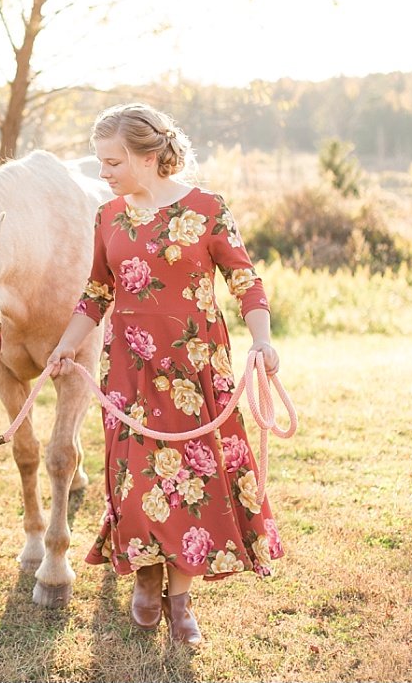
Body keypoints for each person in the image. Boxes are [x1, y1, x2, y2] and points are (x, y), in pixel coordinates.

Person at [48, 102, 283, 647]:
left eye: (111, 162)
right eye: (100, 163)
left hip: (197, 368)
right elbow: (96, 294)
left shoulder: (207, 208)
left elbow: (246, 282)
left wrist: (263, 341)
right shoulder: (107, 217)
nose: (102, 174)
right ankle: (146, 578)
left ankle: (180, 598)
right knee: (137, 479)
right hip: (129, 368)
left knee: (193, 481)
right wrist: (64, 349)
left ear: (148, 157)